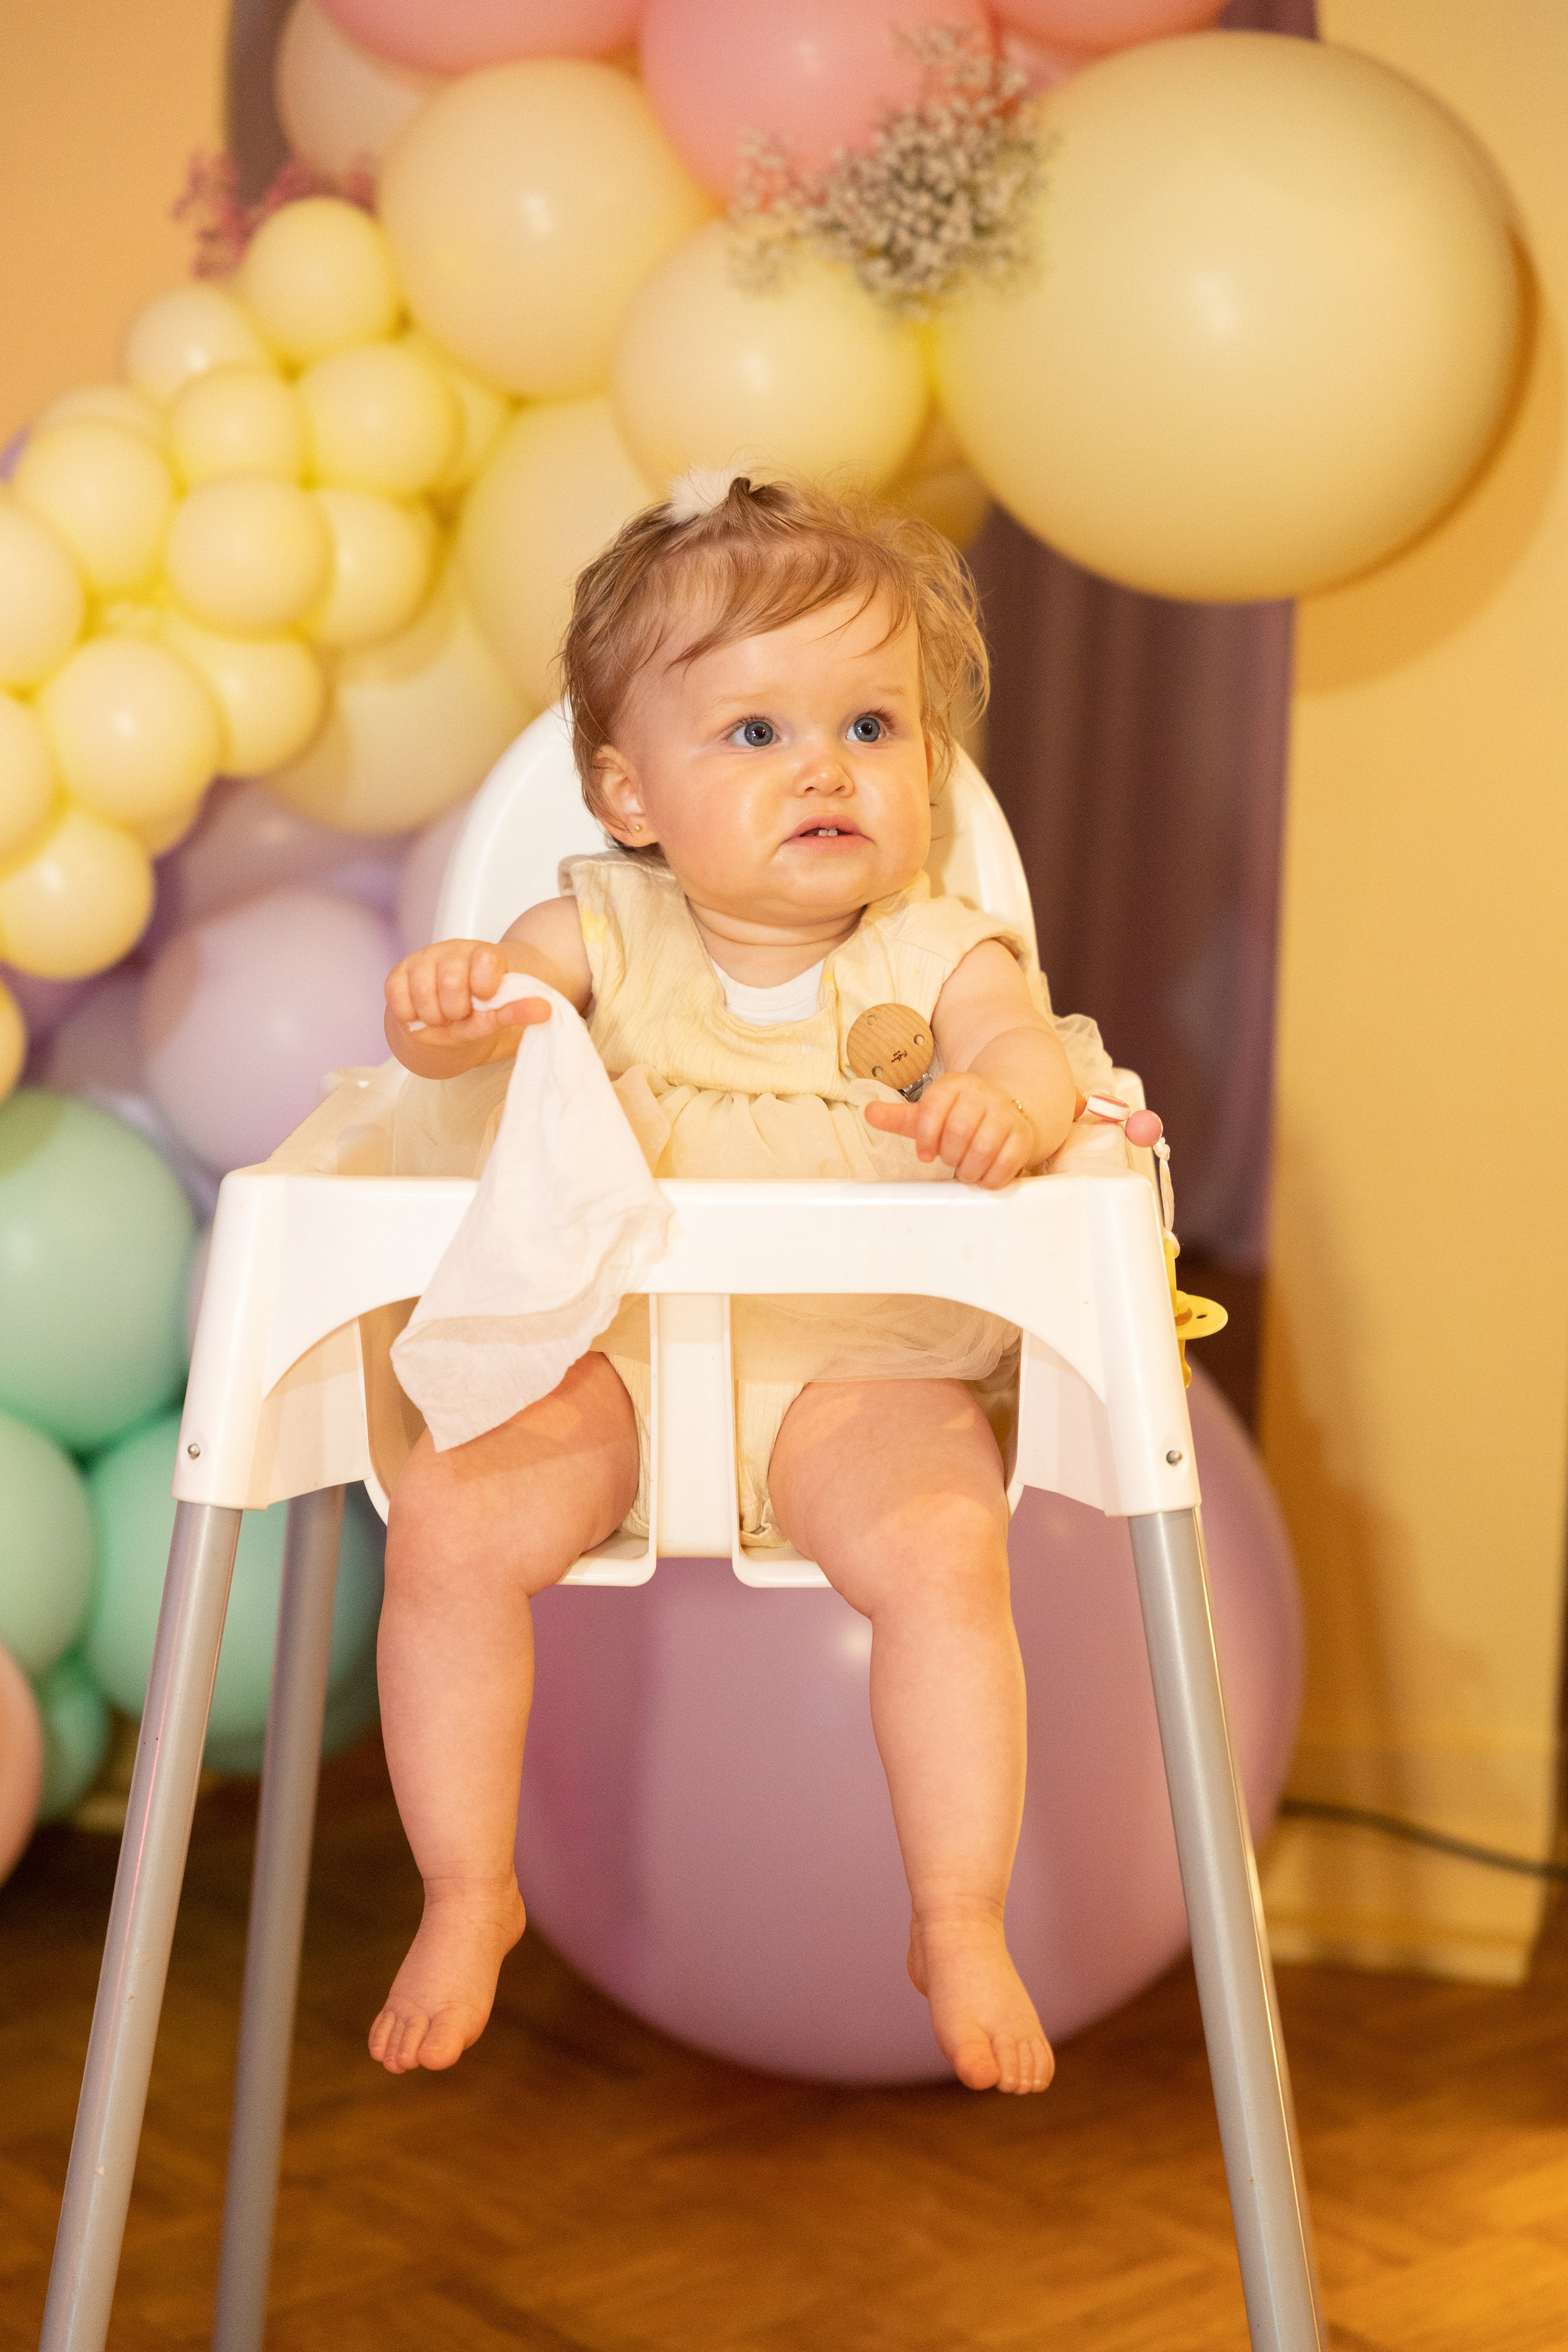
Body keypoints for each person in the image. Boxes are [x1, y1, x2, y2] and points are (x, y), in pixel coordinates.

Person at [373, 469, 1102, 2095]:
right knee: (452, 1521)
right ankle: (467, 1886)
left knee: (942, 1547)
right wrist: (453, 1001)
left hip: (863, 1370)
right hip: (618, 1358)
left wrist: (1010, 1103)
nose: (826, 768)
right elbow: (481, 1021)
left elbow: (1030, 1057)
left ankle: (955, 1910)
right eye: (756, 735)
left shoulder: (941, 947)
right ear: (632, 797)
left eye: (871, 724)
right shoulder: (602, 929)